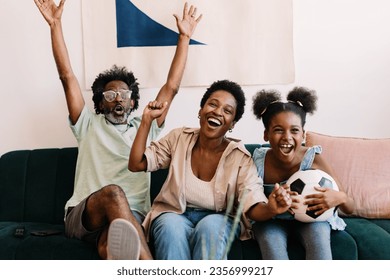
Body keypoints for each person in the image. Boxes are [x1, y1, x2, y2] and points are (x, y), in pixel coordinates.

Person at [34, 0, 202, 260]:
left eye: (123, 93)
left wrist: (184, 37)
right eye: (110, 94)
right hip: (85, 213)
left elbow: (171, 87)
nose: (118, 98)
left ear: (133, 101)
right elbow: (67, 75)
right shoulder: (87, 124)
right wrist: (55, 25)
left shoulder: (147, 128)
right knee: (113, 193)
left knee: (111, 247)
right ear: (101, 103)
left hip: (130, 216)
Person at [128, 80, 292, 260]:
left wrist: (271, 208)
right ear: (200, 111)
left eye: (227, 111)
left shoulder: (241, 158)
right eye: (213, 104)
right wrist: (146, 121)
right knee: (170, 227)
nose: (217, 112)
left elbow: (252, 206)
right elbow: (137, 164)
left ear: (232, 124)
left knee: (211, 227)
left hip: (219, 217)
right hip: (175, 213)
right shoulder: (178, 138)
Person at [251, 87, 355, 260]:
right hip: (271, 221)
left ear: (303, 134)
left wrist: (340, 198)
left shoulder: (313, 158)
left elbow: (350, 207)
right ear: (266, 134)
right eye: (278, 130)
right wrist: (270, 206)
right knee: (270, 242)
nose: (287, 137)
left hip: (311, 221)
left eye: (294, 130)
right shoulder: (257, 160)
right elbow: (248, 207)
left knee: (319, 238)